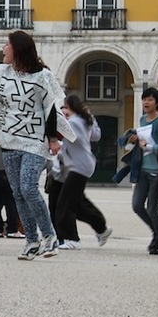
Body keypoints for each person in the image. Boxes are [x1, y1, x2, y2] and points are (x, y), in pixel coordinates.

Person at [0, 31, 70, 260]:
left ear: (18, 49)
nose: (3, 48)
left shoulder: (43, 77)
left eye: (7, 44)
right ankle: (32, 241)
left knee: (28, 187)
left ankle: (49, 237)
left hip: (35, 140)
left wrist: (52, 138)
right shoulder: (1, 74)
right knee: (18, 193)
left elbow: (50, 108)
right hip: (9, 140)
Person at [52, 95, 113, 250]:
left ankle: (72, 239)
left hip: (79, 166)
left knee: (65, 204)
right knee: (77, 203)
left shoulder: (74, 122)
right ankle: (101, 228)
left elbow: (72, 136)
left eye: (66, 107)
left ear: (71, 107)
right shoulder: (82, 121)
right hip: (80, 165)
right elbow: (94, 135)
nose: (64, 110)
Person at [127, 87, 158, 255]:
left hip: (157, 171)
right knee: (137, 205)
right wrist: (135, 140)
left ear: (157, 103)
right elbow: (141, 140)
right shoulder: (142, 119)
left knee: (152, 209)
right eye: (145, 99)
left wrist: (149, 146)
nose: (146, 102)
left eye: (150, 99)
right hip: (143, 169)